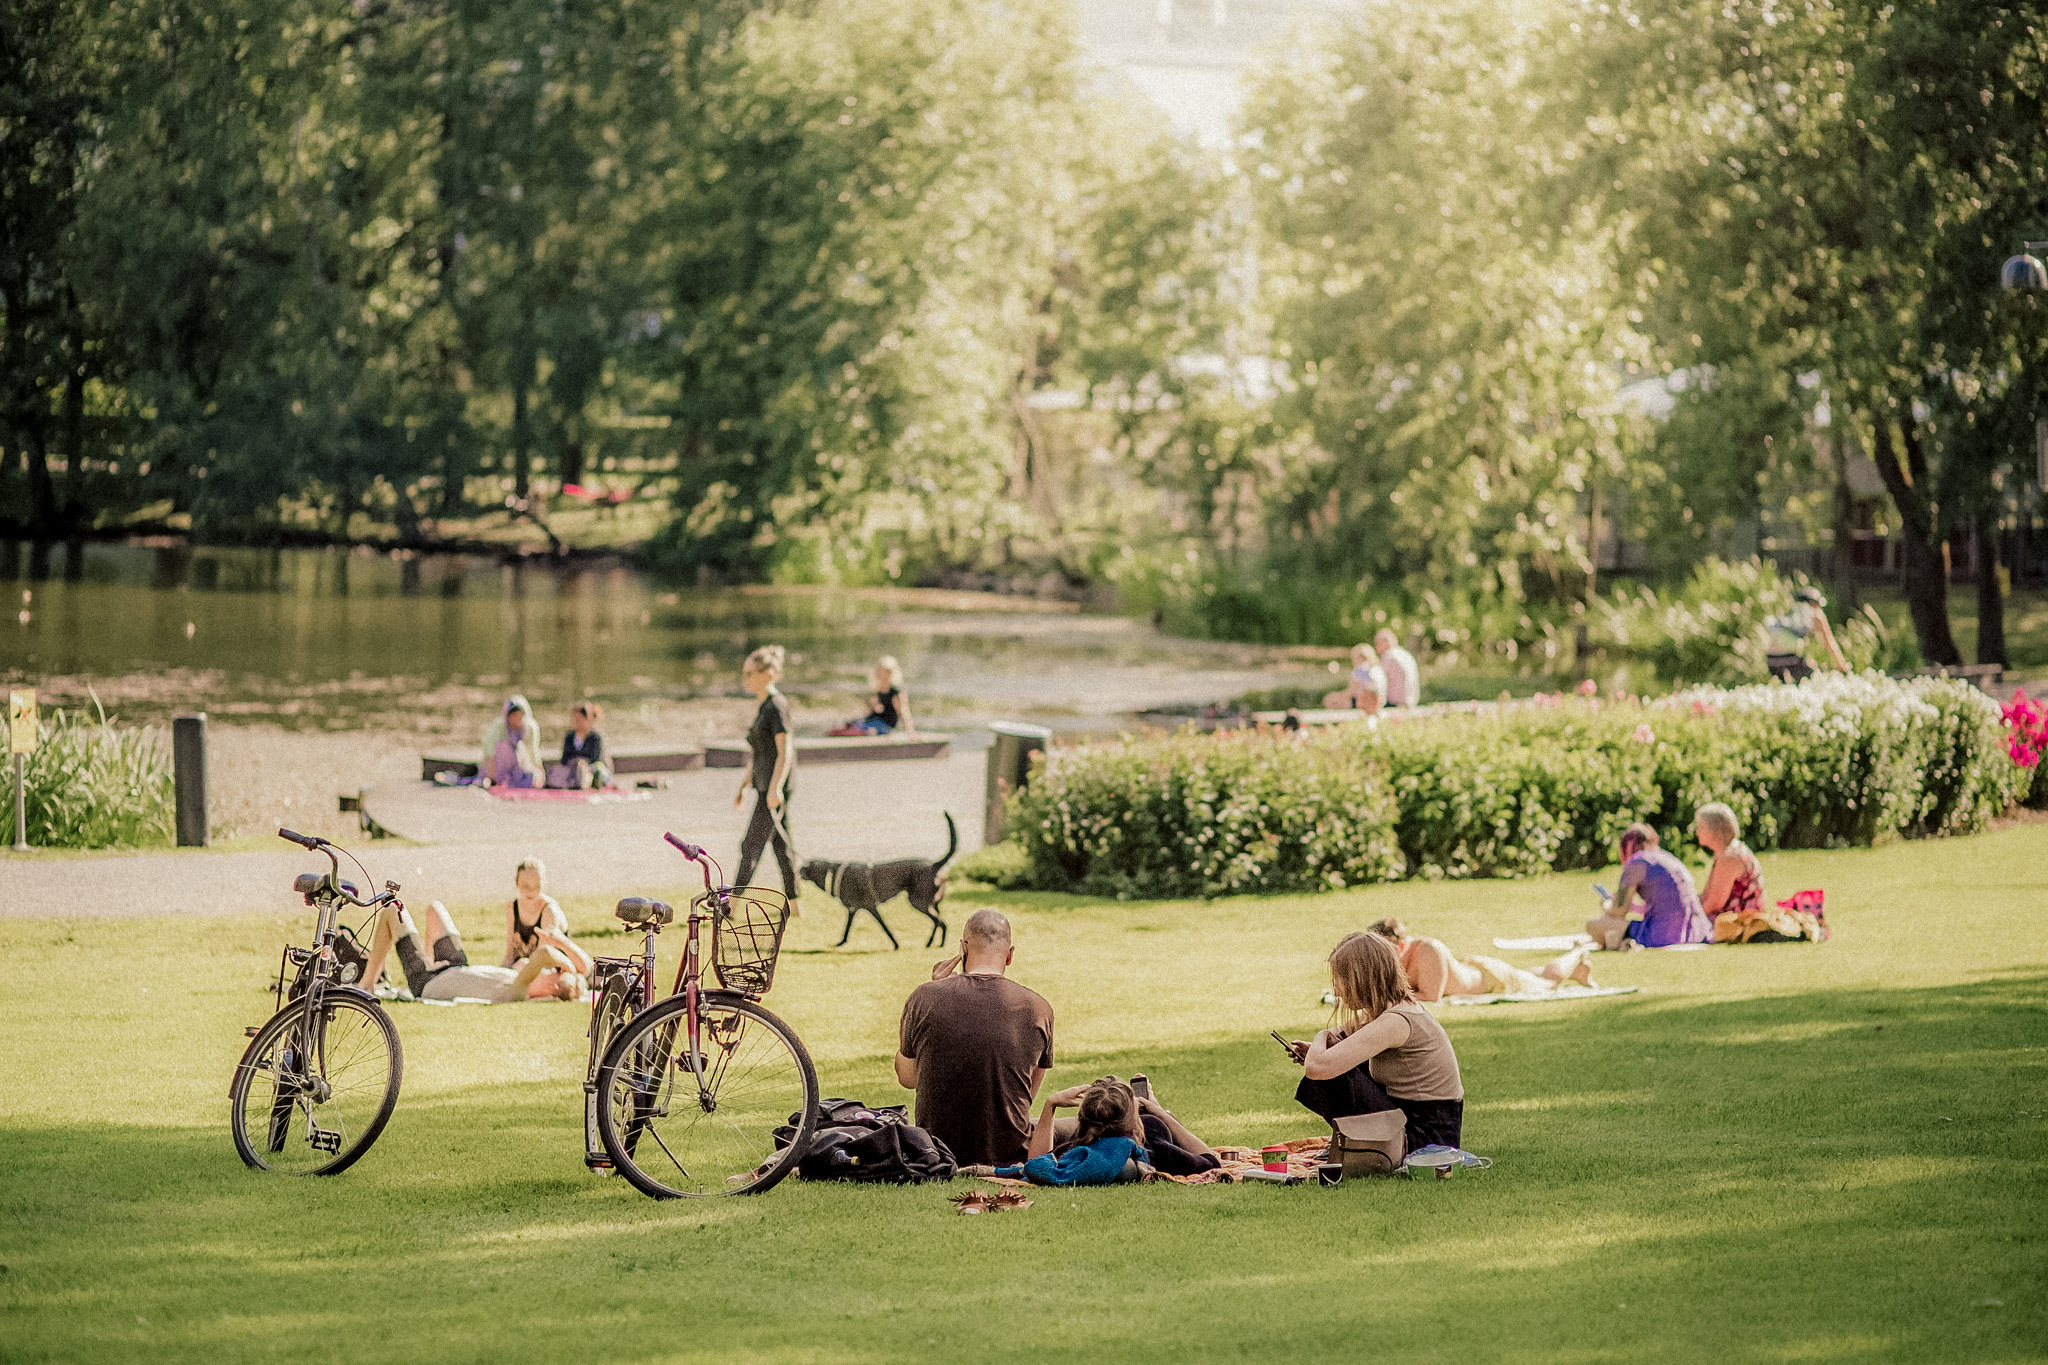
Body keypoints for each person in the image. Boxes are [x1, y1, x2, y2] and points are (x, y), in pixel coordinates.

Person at [894, 909, 1054, 1167]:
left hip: (937, 1155)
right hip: (1007, 1156)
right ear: (1010, 955)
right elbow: (1024, 1098)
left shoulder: (923, 998)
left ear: (963, 948)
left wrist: (935, 988)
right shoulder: (1038, 1008)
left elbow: (908, 1078)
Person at [1288, 930, 1465, 1153]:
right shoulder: (1390, 1011)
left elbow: (1317, 1068)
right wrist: (1322, 1048)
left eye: (1340, 981)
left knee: (1333, 1076)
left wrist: (1321, 1037)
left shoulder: (1395, 1021)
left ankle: (1368, 1149)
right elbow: (1340, 1036)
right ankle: (1362, 1144)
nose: (1337, 991)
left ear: (1360, 979)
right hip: (1416, 1120)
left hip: (1427, 1135)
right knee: (1340, 1062)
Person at [985, 1074, 1220, 1183]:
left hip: (1132, 1124)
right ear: (1134, 1120)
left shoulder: (1078, 1148)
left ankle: (1158, 1110)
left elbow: (1035, 1164)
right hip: (1155, 1123)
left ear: (1084, 1119)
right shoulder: (1158, 1149)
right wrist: (1158, 1112)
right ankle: (1160, 1110)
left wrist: (1051, 1104)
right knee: (1169, 1118)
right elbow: (1210, 1160)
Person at [360, 897, 582, 1004]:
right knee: (434, 909)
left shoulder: (519, 990)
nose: (554, 970)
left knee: (392, 908)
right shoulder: (519, 981)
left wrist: (568, 967)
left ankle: (366, 984)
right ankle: (428, 959)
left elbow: (544, 955)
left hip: (427, 982)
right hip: (455, 966)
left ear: (553, 985)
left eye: (557, 972)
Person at [1366, 918, 1596, 1000]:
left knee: (1549, 983)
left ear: (1402, 945)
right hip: (1478, 969)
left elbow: (1430, 996)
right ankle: (1577, 970)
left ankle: (1577, 953)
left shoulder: (1427, 950)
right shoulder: (1398, 956)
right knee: (1534, 975)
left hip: (1493, 979)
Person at [735, 645, 800, 906]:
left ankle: (731, 904)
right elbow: (759, 751)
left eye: (750, 673)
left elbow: (786, 751)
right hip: (763, 784)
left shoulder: (777, 706)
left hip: (774, 786)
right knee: (781, 847)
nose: (746, 679)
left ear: (768, 674)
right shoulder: (763, 706)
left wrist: (776, 788)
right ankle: (794, 904)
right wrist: (743, 786)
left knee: (751, 844)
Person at [1585, 823, 1711, 949]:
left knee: (1593, 925)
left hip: (1663, 935)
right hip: (1696, 931)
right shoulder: (1666, 857)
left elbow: (1619, 911)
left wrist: (1606, 903)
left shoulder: (1637, 862)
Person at [502, 856, 594, 998]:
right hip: (523, 968)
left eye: (537, 886)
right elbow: (510, 953)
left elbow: (543, 958)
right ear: (516, 883)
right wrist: (501, 971)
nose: (531, 891)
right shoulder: (512, 908)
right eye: (526, 885)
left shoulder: (549, 910)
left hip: (552, 969)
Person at [1694, 802, 1764, 920]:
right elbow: (1707, 896)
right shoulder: (1724, 852)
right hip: (1728, 917)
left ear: (1714, 829)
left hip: (1738, 922)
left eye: (1701, 827)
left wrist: (1691, 919)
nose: (1697, 832)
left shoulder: (1730, 856)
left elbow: (1714, 903)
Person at [1764, 587, 1849, 682]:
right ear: (1813, 603)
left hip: (1771, 660)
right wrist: (1842, 666)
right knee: (1816, 680)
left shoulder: (1791, 613)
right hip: (1791, 659)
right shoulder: (1816, 615)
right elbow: (1829, 643)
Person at [480, 695, 544, 788]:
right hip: (497, 768)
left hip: (520, 767)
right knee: (503, 747)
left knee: (535, 777)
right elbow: (489, 756)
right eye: (513, 714)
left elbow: (534, 754)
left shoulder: (530, 728)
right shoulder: (497, 728)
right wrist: (492, 779)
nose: (516, 717)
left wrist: (541, 776)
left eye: (519, 714)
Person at [845, 656, 915, 735]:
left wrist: (910, 731)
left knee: (865, 729)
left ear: (891, 674)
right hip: (874, 721)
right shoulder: (877, 692)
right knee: (851, 724)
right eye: (880, 673)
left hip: (885, 726)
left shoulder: (895, 693)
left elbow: (903, 711)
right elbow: (872, 712)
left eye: (885, 673)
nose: (882, 676)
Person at [549, 700, 608, 789]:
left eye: (579, 719)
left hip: (592, 770)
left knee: (589, 771)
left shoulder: (595, 737)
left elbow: (596, 759)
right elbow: (564, 759)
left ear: (587, 719)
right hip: (572, 769)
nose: (576, 722)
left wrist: (583, 763)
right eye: (574, 719)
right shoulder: (569, 736)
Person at [1322, 643, 1386, 713]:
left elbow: (1350, 692)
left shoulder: (1360, 670)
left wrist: (1336, 696)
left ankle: (1337, 722)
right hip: (1380, 703)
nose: (1353, 661)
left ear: (1361, 657)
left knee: (1330, 700)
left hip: (1365, 704)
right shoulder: (1378, 669)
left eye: (1353, 657)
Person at [1375, 628, 1421, 708]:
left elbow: (1376, 680)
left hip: (1395, 703)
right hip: (1411, 701)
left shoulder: (1389, 656)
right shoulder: (1405, 654)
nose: (1376, 646)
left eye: (1377, 643)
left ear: (1384, 642)